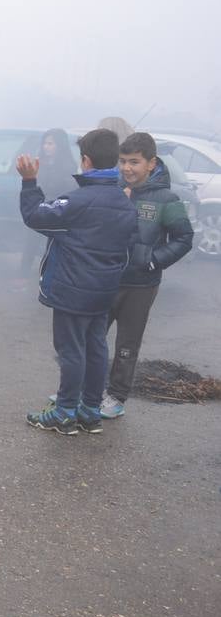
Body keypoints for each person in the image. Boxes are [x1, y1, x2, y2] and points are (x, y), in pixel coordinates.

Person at [20, 129, 137, 435]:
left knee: (71, 350)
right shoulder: (125, 202)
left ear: (85, 161)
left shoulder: (77, 200)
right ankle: (89, 411)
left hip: (73, 290)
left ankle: (64, 412)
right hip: (104, 291)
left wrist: (30, 181)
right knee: (96, 347)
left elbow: (35, 216)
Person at [102, 132, 193, 418]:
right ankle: (81, 389)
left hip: (141, 284)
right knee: (90, 337)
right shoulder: (112, 188)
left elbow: (184, 238)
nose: (127, 168)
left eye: (134, 162)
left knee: (127, 345)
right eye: (123, 161)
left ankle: (116, 396)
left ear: (151, 163)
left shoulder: (167, 199)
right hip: (106, 278)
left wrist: (153, 261)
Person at [18, 129, 79, 280]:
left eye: (50, 143)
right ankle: (22, 277)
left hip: (56, 211)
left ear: (60, 145)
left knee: (51, 246)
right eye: (45, 143)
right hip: (39, 208)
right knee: (29, 243)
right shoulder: (39, 163)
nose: (46, 147)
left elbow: (67, 191)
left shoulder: (68, 167)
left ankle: (47, 277)